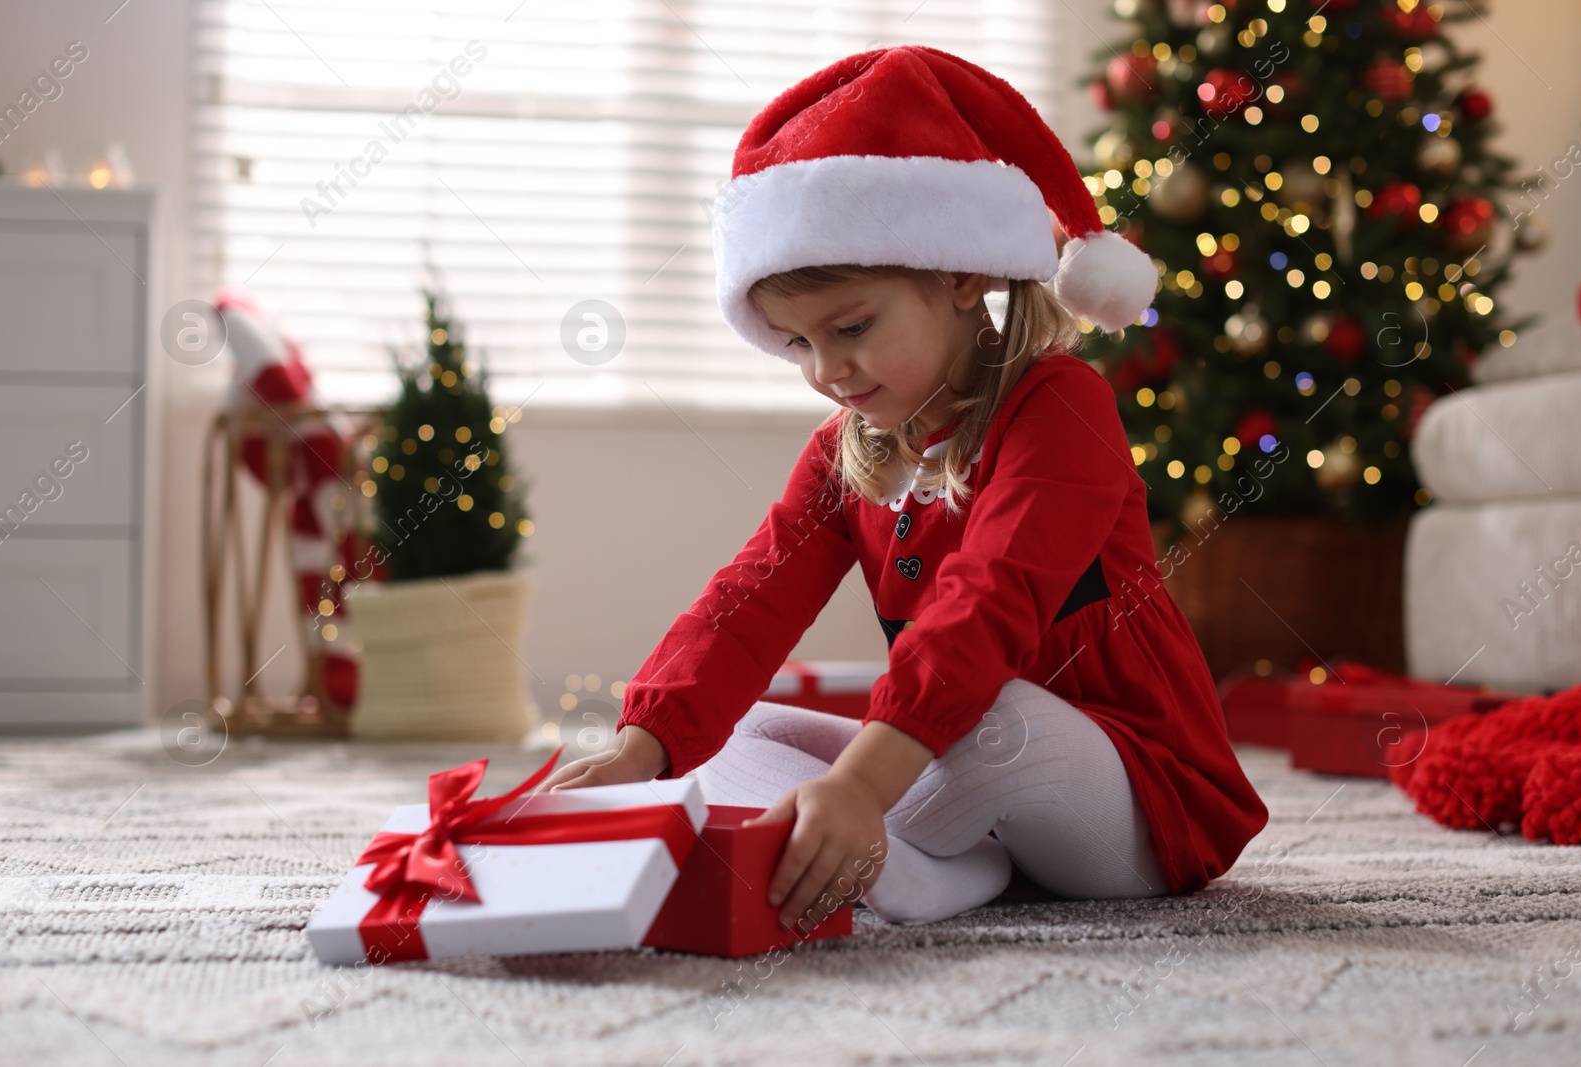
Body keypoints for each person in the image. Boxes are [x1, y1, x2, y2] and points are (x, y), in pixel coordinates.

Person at [541, 45, 1268, 930]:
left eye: (850, 327)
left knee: (992, 715)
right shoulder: (848, 449)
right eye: (797, 342)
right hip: (967, 754)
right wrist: (640, 750)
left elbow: (987, 605)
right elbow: (747, 600)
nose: (826, 371)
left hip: (1139, 799)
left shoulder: (1061, 406)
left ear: (960, 275)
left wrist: (857, 785)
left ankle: (883, 850)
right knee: (736, 733)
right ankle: (934, 866)